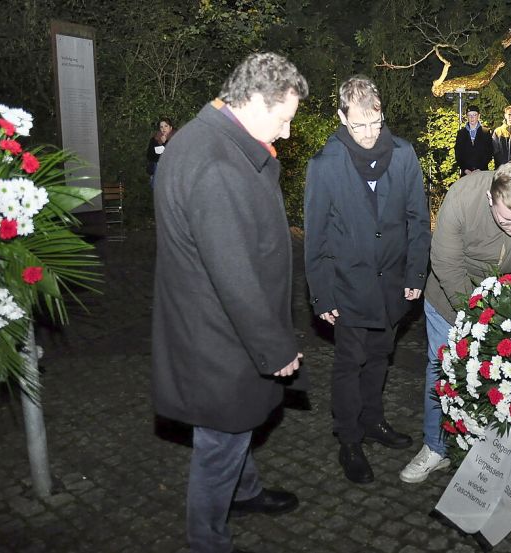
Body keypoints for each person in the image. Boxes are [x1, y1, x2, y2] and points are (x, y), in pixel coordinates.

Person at [151, 52, 308, 553]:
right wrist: (275, 349)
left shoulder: (208, 135)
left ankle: (246, 492)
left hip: (211, 329)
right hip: (219, 339)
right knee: (220, 442)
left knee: (233, 427)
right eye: (284, 120)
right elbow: (235, 276)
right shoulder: (216, 163)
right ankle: (208, 541)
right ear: (253, 102)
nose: (285, 133)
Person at [399, 161, 511, 483]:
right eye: (508, 219)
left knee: (507, 377)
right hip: (451, 298)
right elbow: (446, 264)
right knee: (443, 370)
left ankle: (494, 452)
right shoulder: (462, 197)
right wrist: (478, 318)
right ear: (491, 199)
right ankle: (435, 447)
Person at [304, 75, 431, 484]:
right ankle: (349, 438)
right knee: (350, 363)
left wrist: (415, 272)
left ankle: (374, 422)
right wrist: (321, 296)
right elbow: (316, 235)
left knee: (380, 357)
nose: (368, 133)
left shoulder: (404, 154)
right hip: (348, 284)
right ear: (342, 117)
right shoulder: (325, 165)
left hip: (393, 283)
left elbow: (417, 219)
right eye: (358, 125)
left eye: (374, 123)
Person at [454, 104, 493, 175]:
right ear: (467, 117)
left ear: (479, 116)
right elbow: (458, 154)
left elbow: (489, 153)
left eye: (474, 115)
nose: (472, 118)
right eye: (469, 115)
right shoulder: (461, 133)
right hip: (466, 173)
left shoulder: (486, 132)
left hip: (482, 172)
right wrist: (465, 169)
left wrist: (479, 168)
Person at [146, 117, 175, 186]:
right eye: (161, 127)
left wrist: (165, 143)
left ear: (170, 128)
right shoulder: (154, 140)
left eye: (166, 126)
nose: (163, 129)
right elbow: (149, 156)